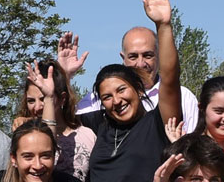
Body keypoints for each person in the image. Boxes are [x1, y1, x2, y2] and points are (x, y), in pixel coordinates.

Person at [81, 0, 185, 182]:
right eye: (107, 97)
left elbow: (171, 80)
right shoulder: (97, 125)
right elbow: (55, 124)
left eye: (121, 90)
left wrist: (164, 26)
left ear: (138, 90)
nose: (117, 101)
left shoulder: (158, 123)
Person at [68, 24, 200, 132]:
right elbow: (69, 126)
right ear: (123, 58)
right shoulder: (98, 98)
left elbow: (192, 145)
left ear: (159, 56)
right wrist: (65, 75)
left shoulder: (183, 97)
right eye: (133, 57)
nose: (141, 64)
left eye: (148, 55)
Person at [16, 58, 95, 180]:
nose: (37, 107)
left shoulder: (87, 135)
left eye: (43, 99)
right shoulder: (23, 136)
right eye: (31, 100)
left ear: (62, 98)